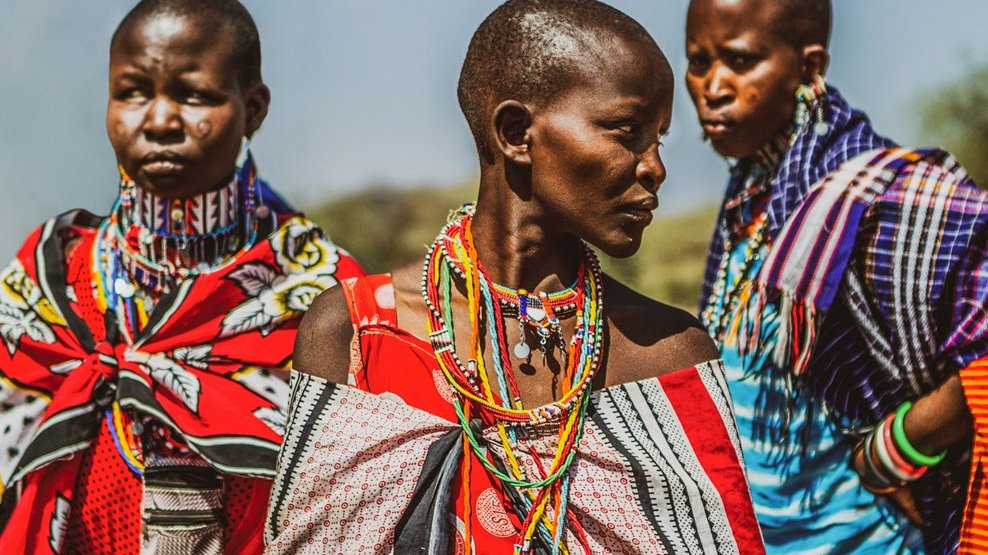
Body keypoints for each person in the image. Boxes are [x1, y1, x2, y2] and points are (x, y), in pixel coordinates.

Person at [267, 1, 764, 553]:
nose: (655, 167)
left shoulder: (669, 355)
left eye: (659, 140)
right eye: (627, 133)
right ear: (516, 133)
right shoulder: (354, 333)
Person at [0, 1, 364, 553]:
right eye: (132, 92)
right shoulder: (52, 277)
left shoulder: (319, 293)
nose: (160, 120)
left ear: (254, 108)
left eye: (194, 95)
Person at [686, 0, 988, 552]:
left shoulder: (877, 197)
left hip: (867, 537)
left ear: (809, 67)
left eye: (739, 60)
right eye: (698, 61)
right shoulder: (754, 195)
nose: (712, 85)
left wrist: (888, 454)